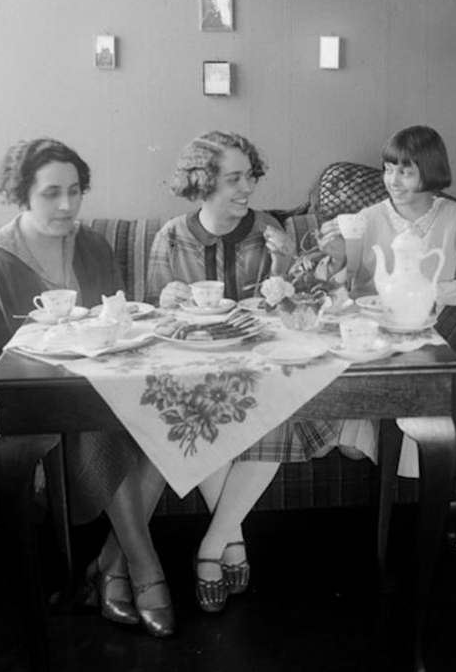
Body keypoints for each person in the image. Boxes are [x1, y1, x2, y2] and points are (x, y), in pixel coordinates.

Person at [0, 138, 174, 638]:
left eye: (74, 192)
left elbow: (114, 326)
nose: (66, 205)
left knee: (169, 420)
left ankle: (109, 567)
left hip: (97, 389)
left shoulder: (93, 245)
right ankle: (146, 570)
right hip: (21, 405)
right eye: (51, 193)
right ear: (22, 195)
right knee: (95, 424)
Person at [146, 130, 356, 614]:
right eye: (234, 179)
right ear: (203, 183)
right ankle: (232, 542)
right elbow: (156, 324)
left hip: (260, 370)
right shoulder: (171, 237)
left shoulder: (268, 230)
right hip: (196, 372)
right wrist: (166, 299)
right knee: (196, 411)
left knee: (274, 407)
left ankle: (210, 547)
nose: (247, 189)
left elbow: (295, 310)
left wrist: (284, 263)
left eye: (250, 177)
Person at [317, 125, 456, 475]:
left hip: (423, 336)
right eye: (388, 169)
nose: (392, 181)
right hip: (371, 338)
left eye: (405, 172)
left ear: (430, 171)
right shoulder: (366, 219)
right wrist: (336, 258)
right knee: (352, 448)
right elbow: (340, 289)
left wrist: (437, 292)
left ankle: (406, 446)